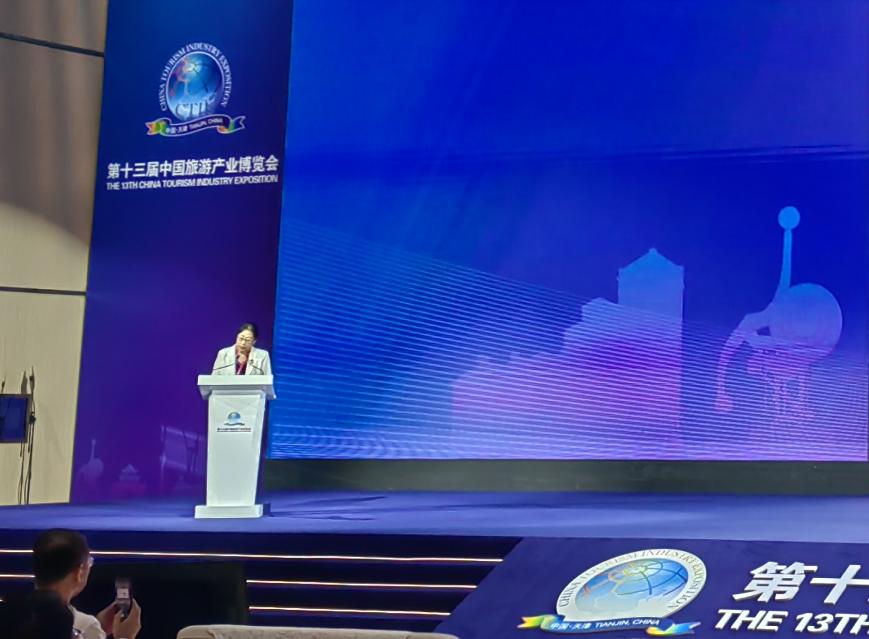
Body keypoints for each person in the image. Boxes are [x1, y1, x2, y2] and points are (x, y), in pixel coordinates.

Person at [32, 529, 141, 639]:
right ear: (79, 572)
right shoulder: (82, 628)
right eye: (89, 563)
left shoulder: (23, 614)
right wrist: (124, 636)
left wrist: (98, 628)